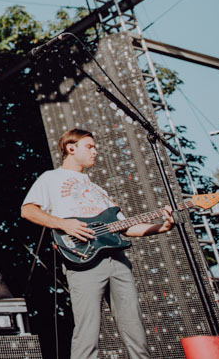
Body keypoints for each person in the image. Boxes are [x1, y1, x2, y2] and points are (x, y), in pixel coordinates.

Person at [21, 128, 173, 359]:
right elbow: (28, 210)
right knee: (88, 330)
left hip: (117, 260)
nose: (95, 151)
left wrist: (160, 227)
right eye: (89, 146)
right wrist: (64, 224)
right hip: (82, 260)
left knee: (135, 327)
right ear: (71, 148)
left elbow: (125, 227)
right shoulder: (50, 178)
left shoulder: (98, 190)